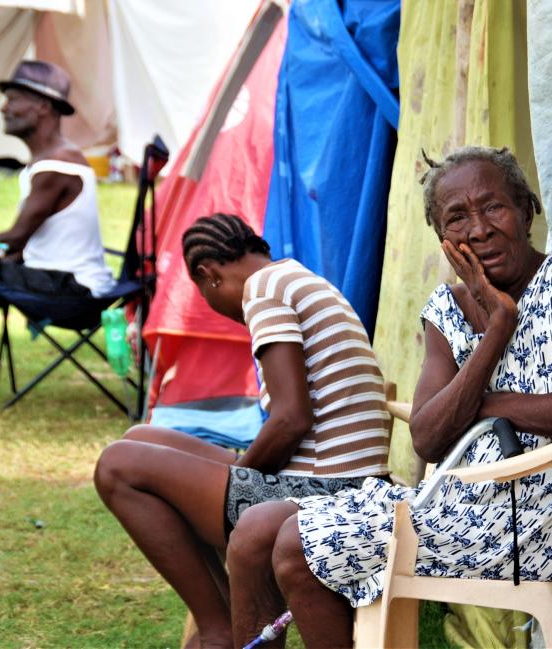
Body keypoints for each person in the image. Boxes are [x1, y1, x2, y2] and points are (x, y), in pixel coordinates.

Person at [226, 146, 552, 648]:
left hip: (533, 524)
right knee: (257, 525)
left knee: (296, 546)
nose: (479, 229)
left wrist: (484, 405)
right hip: (454, 505)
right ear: (443, 240)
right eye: (458, 218)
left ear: (526, 211)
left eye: (494, 207)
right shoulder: (447, 307)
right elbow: (429, 439)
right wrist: (498, 327)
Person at [93, 213, 391, 649]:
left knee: (117, 466)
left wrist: (240, 478)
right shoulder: (293, 277)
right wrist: (237, 476)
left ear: (208, 276)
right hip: (334, 477)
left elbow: (291, 418)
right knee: (141, 439)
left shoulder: (263, 291)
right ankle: (222, 614)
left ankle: (217, 631)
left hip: (326, 491)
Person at [0, 60, 114, 345]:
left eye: (13, 100)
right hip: (55, 283)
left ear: (42, 106)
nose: (3, 108)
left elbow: (11, 241)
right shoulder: (53, 161)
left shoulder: (57, 165)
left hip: (74, 293)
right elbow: (13, 247)